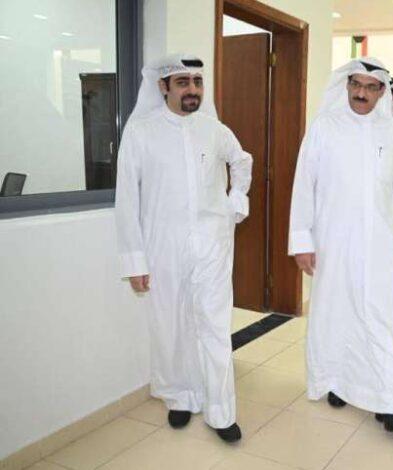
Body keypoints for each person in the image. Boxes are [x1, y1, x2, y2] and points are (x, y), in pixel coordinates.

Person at [115, 53, 252, 442]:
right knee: (171, 325)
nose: (192, 90)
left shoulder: (214, 129)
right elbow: (127, 198)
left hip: (212, 244)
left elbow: (242, 162)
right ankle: (179, 397)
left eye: (197, 81)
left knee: (214, 324)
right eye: (182, 82)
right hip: (163, 246)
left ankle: (221, 411)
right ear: (163, 87)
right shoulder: (141, 133)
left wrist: (235, 202)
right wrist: (135, 260)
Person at [288, 58, 393, 432]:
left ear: (383, 91)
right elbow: (304, 185)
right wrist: (302, 240)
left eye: (370, 87)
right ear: (345, 86)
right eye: (355, 85)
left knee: (381, 319)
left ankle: (387, 400)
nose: (361, 93)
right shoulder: (324, 127)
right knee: (335, 315)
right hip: (333, 241)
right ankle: (337, 382)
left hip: (382, 245)